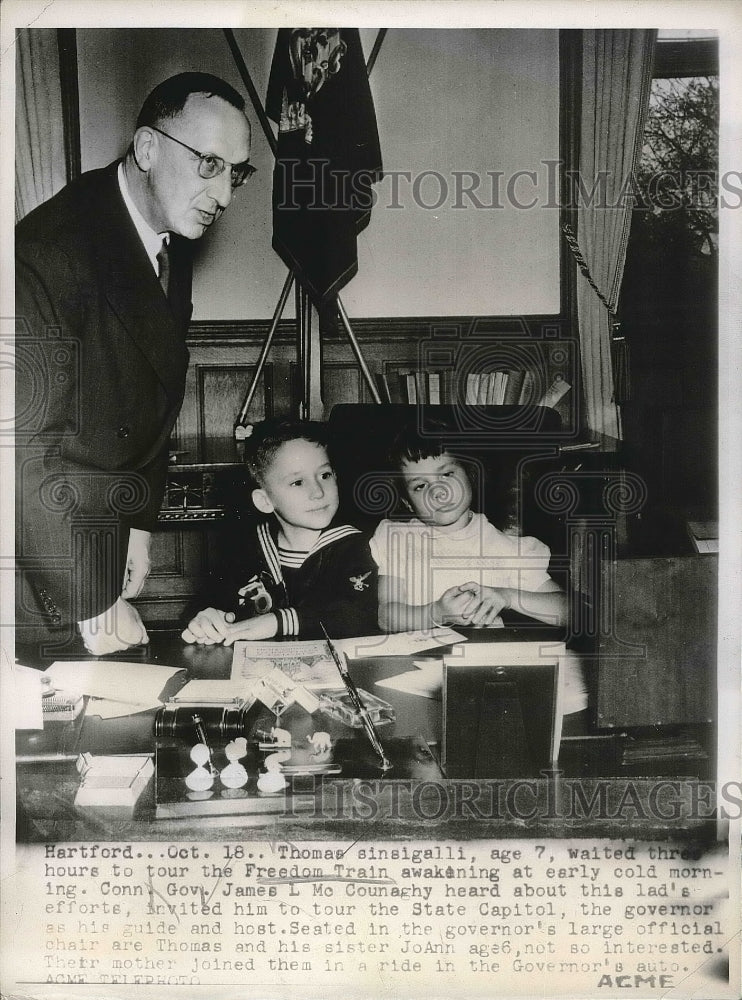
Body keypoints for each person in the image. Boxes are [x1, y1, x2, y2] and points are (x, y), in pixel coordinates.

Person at [15, 72, 253, 655]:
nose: (223, 195)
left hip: (98, 528)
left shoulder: (163, 234)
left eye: (236, 173)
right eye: (209, 164)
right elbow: (21, 458)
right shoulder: (45, 254)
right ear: (148, 148)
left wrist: (140, 522)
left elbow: (154, 392)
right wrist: (92, 603)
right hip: (37, 561)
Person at [181, 418, 378, 645]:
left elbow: (359, 614)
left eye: (325, 475)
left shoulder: (358, 546)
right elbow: (209, 601)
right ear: (264, 501)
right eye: (298, 482)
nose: (318, 492)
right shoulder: (249, 550)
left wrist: (277, 621)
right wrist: (207, 617)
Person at [370, 421, 568, 633]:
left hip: (487, 659)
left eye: (447, 474)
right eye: (420, 486)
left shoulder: (508, 549)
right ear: (408, 502)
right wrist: (436, 612)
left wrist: (508, 596)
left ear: (469, 474)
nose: (439, 491)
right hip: (420, 660)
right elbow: (386, 617)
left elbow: (569, 612)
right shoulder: (399, 539)